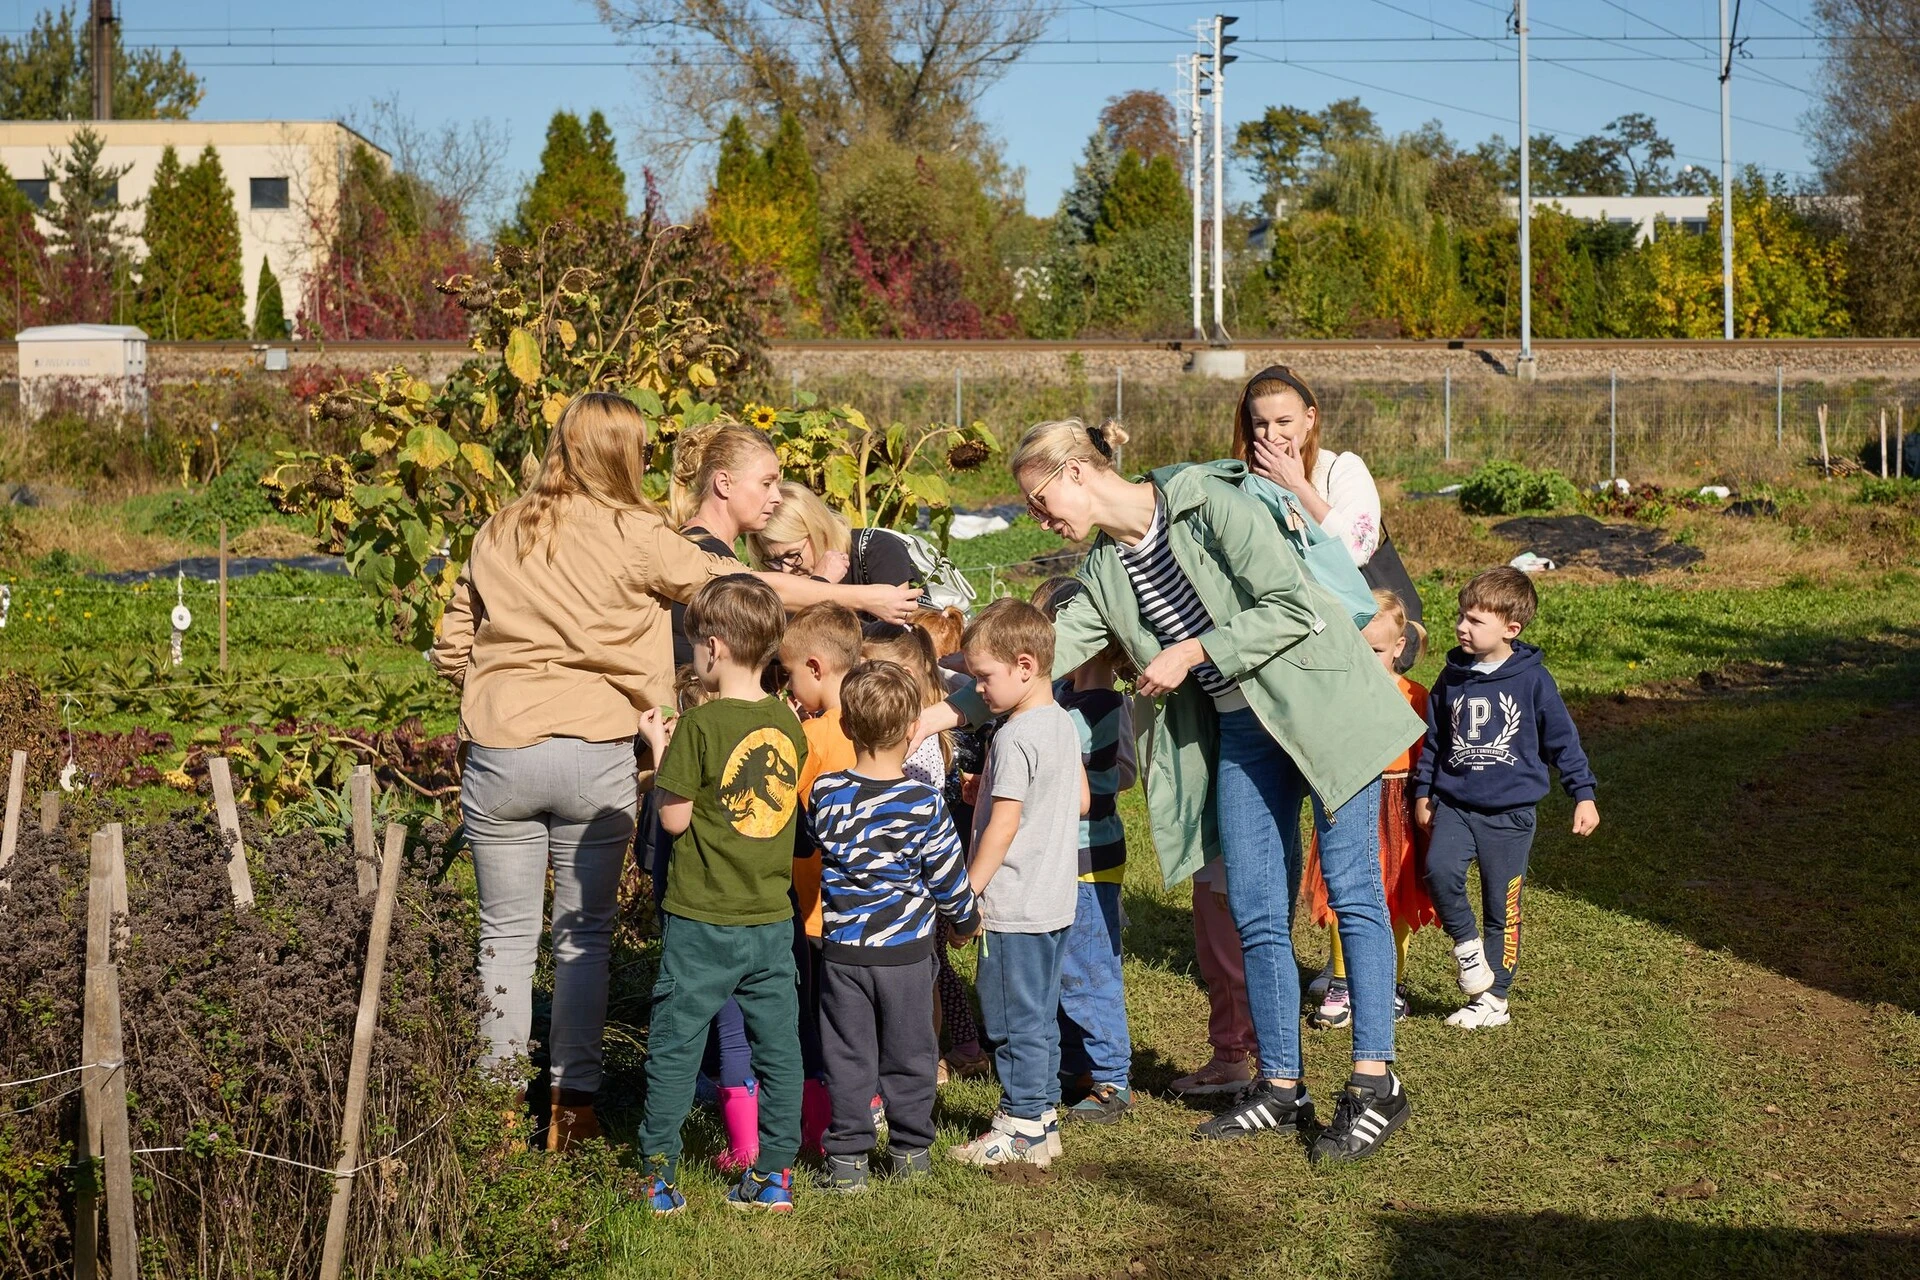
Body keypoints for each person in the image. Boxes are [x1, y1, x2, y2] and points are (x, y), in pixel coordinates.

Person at [915, 419, 1425, 1165]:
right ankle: (1282, 1084)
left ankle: (1375, 1082)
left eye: (1039, 497)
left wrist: (1192, 651)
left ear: (1079, 472)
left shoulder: (1203, 502)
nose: (1037, 514)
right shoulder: (1105, 572)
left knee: (1352, 894)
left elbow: (1291, 605)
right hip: (1244, 730)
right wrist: (934, 711)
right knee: (1253, 907)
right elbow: (1042, 658)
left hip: (1323, 706)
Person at [432, 393, 866, 1154]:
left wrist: (490, 678)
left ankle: (496, 1115)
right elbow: (734, 587)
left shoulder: (498, 527)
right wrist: (841, 589)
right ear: (625, 454)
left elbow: (451, 640)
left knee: (502, 937)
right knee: (584, 938)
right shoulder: (638, 533)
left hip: (501, 747)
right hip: (595, 747)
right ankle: (576, 1109)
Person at [654, 425, 919, 1164]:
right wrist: (850, 590)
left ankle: (742, 1124)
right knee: (750, 999)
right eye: (767, 481)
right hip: (731, 842)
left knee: (737, 1002)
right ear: (723, 483)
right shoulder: (704, 557)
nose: (775, 496)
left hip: (739, 863)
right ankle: (774, 1141)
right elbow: (761, 592)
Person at [635, 576, 809, 1215]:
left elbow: (676, 820)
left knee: (677, 1045)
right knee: (779, 1047)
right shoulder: (786, 725)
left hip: (702, 919)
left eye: (693, 648)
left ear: (712, 647)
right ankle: (773, 1175)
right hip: (769, 917)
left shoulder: (700, 726)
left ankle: (657, 1175)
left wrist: (661, 750)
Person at [806, 660, 982, 1192]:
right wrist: (965, 920)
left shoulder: (826, 792)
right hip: (905, 952)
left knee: (847, 1055)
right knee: (912, 1054)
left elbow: (817, 845)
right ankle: (909, 1153)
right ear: (912, 730)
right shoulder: (923, 801)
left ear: (845, 726)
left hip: (842, 953)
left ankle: (847, 1159)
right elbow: (948, 874)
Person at [1414, 568, 1600, 1030]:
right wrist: (1423, 790)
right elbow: (1434, 740)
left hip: (1510, 818)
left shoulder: (1533, 680)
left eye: (1476, 620)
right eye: (1461, 615)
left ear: (1510, 629)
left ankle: (1494, 997)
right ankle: (1468, 949)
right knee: (1439, 870)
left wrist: (1583, 795)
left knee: (1504, 906)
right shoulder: (1450, 676)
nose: (1462, 626)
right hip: (1454, 805)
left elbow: (1564, 743)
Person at [945, 599, 1088, 1169]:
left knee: (1009, 1018)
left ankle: (1021, 1125)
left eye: (984, 677)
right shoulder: (1061, 723)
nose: (978, 689)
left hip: (1015, 905)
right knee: (1039, 1014)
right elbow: (1080, 800)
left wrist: (967, 892)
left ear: (1024, 666)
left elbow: (1004, 826)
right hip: (1055, 901)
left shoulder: (1012, 737)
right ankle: (1043, 1116)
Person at [1302, 590, 1438, 1030]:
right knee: (1344, 890)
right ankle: (1342, 980)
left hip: (1397, 804)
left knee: (1395, 894)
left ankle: (1391, 985)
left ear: (1400, 647)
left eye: (1376, 650)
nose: (1366, 657)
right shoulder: (1336, 691)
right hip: (1348, 798)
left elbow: (1428, 755)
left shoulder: (1417, 696)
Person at [1235, 365, 1423, 676]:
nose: (1272, 435)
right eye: (1260, 424)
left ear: (1309, 418)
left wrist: (1298, 487)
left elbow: (1356, 551)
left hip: (1345, 633)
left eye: (1284, 422)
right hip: (1277, 636)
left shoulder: (1340, 469)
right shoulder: (1241, 481)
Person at [1033, 577, 1139, 1126]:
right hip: (1066, 856)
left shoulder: (1098, 706)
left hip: (1088, 859)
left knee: (1089, 968)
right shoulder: (1069, 699)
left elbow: (1113, 779)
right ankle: (1076, 1064)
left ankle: (1111, 1078)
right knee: (1065, 963)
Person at [778, 602, 864, 1157]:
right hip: (872, 903)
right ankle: (868, 1098)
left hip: (815, 906)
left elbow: (786, 809)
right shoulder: (876, 723)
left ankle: (829, 1112)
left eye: (788, 675)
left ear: (814, 667)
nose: (789, 688)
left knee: (821, 1015)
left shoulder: (810, 737)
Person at [910, 606, 992, 1083]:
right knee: (937, 964)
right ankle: (965, 1046)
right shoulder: (946, 725)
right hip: (949, 857)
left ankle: (957, 1048)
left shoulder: (939, 726)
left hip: (935, 868)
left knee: (934, 968)